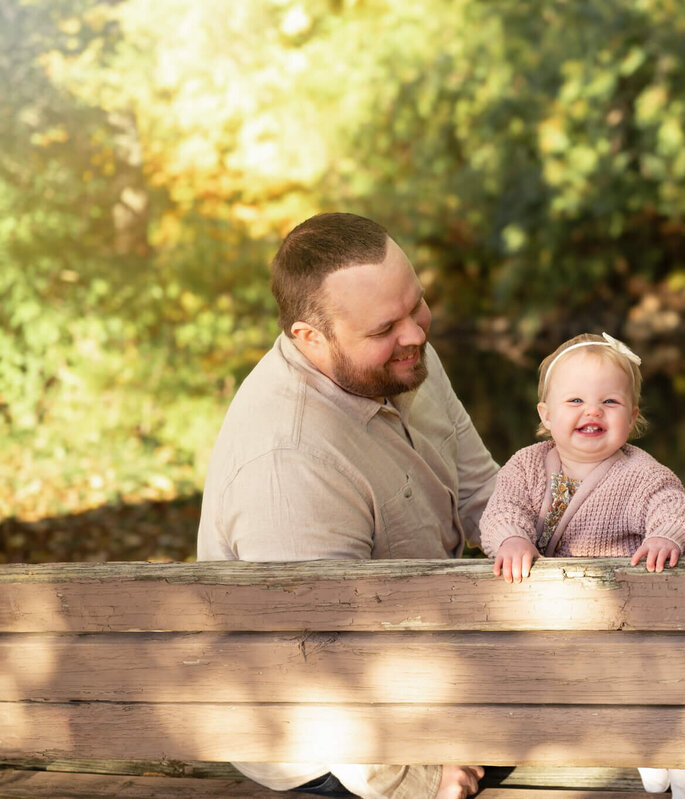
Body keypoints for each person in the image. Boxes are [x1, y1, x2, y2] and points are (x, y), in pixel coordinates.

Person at [197, 212, 499, 799]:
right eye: (387, 325)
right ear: (310, 338)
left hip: (429, 662)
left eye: (418, 305)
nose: (415, 334)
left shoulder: (399, 359)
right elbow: (319, 676)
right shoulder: (288, 465)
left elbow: (484, 495)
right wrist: (422, 779)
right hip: (332, 754)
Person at [479, 332, 685, 799]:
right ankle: (639, 738)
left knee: (648, 670)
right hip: (550, 621)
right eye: (575, 400)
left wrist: (666, 535)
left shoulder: (642, 473)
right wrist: (514, 538)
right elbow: (501, 510)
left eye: (610, 401)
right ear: (546, 415)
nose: (592, 411)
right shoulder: (525, 466)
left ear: (633, 416)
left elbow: (674, 505)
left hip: (622, 616)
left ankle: (675, 755)